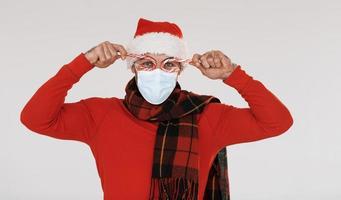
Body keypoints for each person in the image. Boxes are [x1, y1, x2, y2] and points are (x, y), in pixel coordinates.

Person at [20, 18, 293, 200]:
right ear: (133, 67)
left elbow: (278, 122)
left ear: (180, 69)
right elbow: (35, 118)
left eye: (169, 64)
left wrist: (232, 74)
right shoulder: (101, 115)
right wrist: (84, 63)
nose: (157, 72)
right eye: (147, 63)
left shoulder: (205, 115)